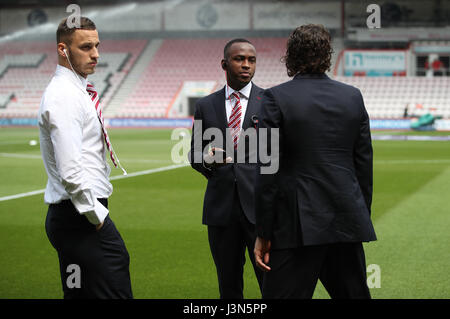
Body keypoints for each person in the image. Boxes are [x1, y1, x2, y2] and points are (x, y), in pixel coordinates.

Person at [254, 24, 377, 299]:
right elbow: (364, 166)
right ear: (327, 55)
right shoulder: (352, 97)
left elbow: (267, 170)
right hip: (345, 221)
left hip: (296, 227)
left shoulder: (274, 98)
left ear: (290, 56)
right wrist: (359, 215)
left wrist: (263, 231)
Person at [38, 17, 132, 299]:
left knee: (82, 293)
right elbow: (71, 171)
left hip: (75, 217)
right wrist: (97, 217)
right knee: (114, 289)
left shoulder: (76, 91)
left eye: (97, 46)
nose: (96, 54)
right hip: (80, 217)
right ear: (63, 50)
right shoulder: (64, 96)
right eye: (86, 47)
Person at [189, 38, 264, 298]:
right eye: (239, 59)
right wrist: (207, 158)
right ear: (224, 63)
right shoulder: (205, 105)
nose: (246, 65)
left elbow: (277, 157)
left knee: (272, 283)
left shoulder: (270, 102)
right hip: (221, 212)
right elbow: (194, 153)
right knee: (229, 286)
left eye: (251, 60)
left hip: (260, 210)